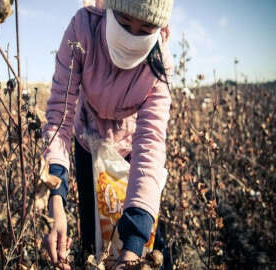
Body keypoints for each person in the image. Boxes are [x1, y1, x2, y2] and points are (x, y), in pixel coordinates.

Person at [43, 0, 174, 269]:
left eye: (146, 28)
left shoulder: (158, 64)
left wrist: (134, 245)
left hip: (129, 149)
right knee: (95, 239)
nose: (131, 37)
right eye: (124, 23)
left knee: (147, 242)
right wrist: (54, 194)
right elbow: (59, 114)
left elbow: (150, 145)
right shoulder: (83, 29)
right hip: (87, 143)